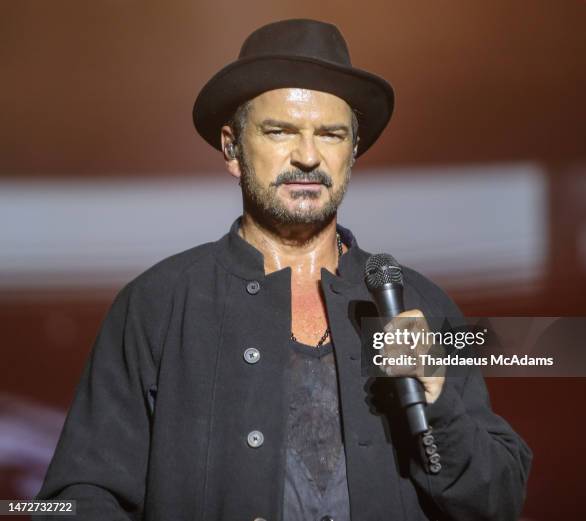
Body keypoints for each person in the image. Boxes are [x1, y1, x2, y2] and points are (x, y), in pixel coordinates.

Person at [36, 19, 532, 521]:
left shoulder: (419, 306)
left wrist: (438, 401)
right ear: (232, 147)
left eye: (332, 134)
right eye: (280, 131)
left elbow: (499, 499)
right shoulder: (159, 304)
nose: (309, 156)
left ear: (353, 151)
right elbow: (78, 497)